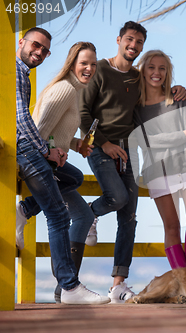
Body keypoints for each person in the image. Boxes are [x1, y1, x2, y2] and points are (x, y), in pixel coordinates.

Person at [79, 22, 186, 303]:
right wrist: (103, 143)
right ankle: (88, 213)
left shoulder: (139, 78)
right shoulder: (100, 70)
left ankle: (118, 285)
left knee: (129, 217)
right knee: (116, 197)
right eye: (129, 40)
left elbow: (156, 92)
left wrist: (177, 89)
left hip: (129, 151)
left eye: (139, 42)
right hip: (101, 147)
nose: (133, 45)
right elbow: (82, 112)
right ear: (118, 40)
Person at [15, 27, 109, 304]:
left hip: (43, 155)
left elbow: (53, 131)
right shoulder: (65, 89)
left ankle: (25, 209)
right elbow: (36, 128)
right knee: (58, 216)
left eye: (93, 64)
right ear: (72, 63)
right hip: (32, 155)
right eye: (84, 63)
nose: (89, 68)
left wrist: (74, 144)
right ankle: (70, 288)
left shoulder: (74, 91)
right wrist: (48, 152)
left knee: (75, 178)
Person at [129, 50, 186, 269]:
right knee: (172, 227)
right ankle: (184, 281)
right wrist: (180, 137)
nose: (156, 73)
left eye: (162, 68)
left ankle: (184, 279)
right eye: (151, 67)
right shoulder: (135, 106)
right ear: (143, 70)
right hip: (157, 170)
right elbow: (144, 140)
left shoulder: (178, 98)